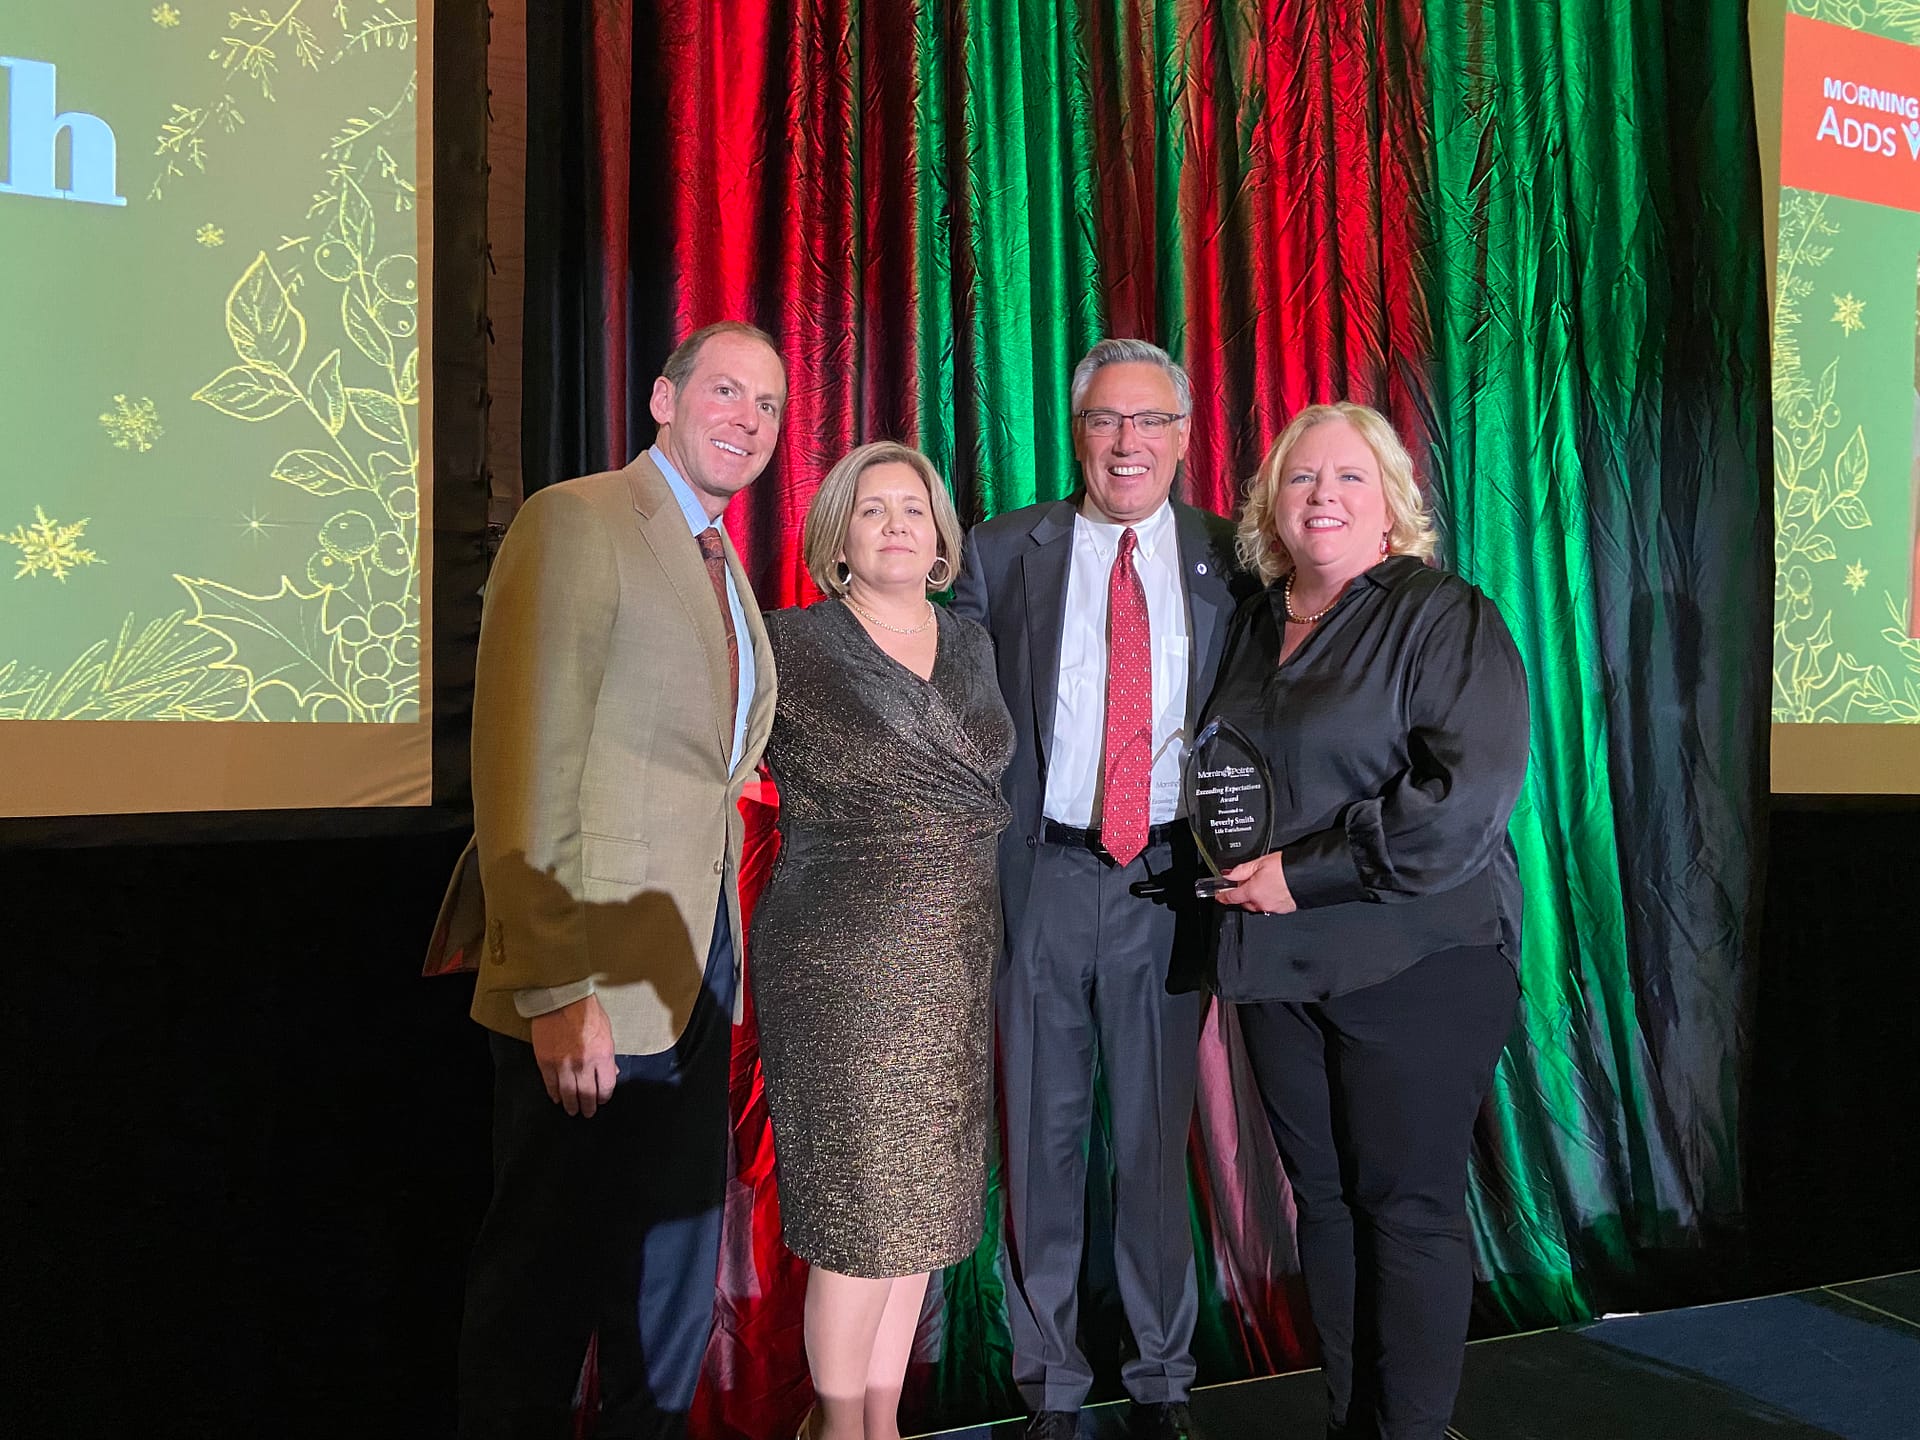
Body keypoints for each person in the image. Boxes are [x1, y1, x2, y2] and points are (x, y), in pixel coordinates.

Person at [447, 321, 787, 1440]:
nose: (747, 417)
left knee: (666, 1288)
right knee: (542, 1292)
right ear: (663, 399)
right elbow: (521, 767)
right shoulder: (580, 521)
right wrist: (553, 991)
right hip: (587, 979)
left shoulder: (720, 560)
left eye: (769, 405)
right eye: (727, 391)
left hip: (691, 968)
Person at [1202, 402, 1530, 1440]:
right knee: (1329, 1209)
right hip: (1279, 975)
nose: (1324, 498)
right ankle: (1358, 1421)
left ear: (1391, 506)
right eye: (1303, 479)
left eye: (1349, 478)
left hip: (1418, 959)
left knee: (1408, 1209)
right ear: (1271, 505)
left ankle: (1416, 1431)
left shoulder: (1444, 618)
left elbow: (1465, 802)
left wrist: (1303, 876)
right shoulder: (1251, 625)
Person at [952, 339, 1255, 1440]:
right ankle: (1052, 1388)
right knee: (1040, 1145)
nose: (1126, 443)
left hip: (1170, 887)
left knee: (1152, 1144)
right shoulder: (1000, 553)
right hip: (1040, 882)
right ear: (1076, 432)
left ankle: (1163, 1380)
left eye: (1149, 422)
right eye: (1104, 422)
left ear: (1182, 435)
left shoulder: (1234, 557)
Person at [750, 441, 1014, 1440]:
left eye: (914, 508)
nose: (897, 523)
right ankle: (834, 1424)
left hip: (951, 958)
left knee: (921, 1221)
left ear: (940, 536)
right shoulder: (791, 642)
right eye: (873, 511)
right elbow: (706, 747)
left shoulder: (973, 644)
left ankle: (880, 1423)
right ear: (838, 540)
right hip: (840, 964)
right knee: (858, 1224)